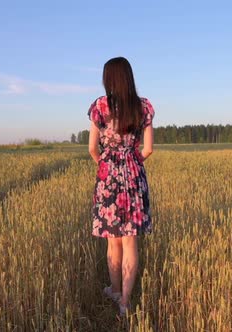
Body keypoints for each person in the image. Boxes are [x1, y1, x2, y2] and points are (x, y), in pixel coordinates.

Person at [87, 56, 155, 317]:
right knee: (131, 243)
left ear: (108, 79)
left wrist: (106, 165)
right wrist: (131, 163)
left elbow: (92, 148)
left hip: (108, 178)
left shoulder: (100, 107)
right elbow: (148, 149)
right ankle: (125, 302)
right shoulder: (143, 107)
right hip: (134, 175)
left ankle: (114, 291)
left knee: (112, 242)